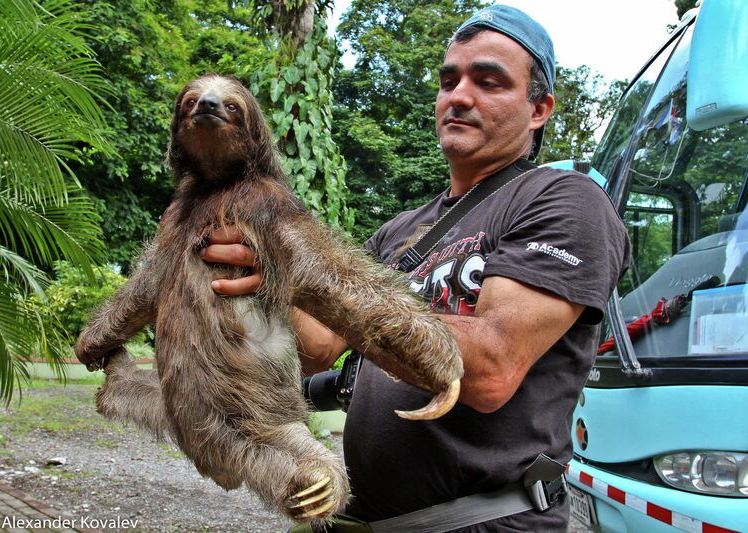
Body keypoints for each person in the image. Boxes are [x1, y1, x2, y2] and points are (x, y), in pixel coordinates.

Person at [200, 4, 631, 532]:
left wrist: (305, 273)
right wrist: (259, 277)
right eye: (449, 80)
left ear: (539, 108)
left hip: (482, 522)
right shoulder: (404, 229)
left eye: (489, 81)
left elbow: (491, 367)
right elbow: (315, 349)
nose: (460, 96)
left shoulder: (564, 201)